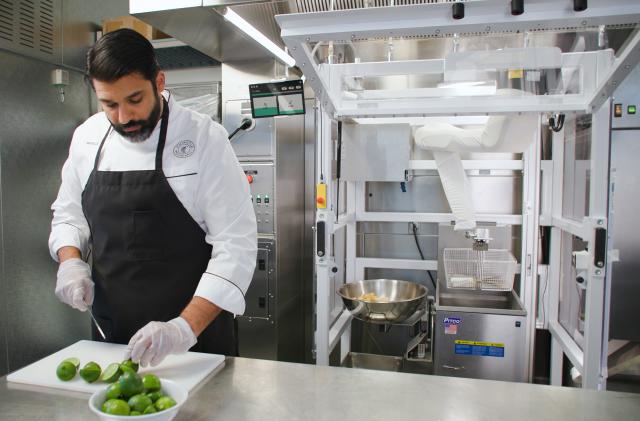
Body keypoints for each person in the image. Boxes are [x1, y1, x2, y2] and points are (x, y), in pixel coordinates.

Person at [49, 28, 257, 367]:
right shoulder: (87, 138)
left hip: (194, 341)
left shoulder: (205, 140)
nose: (123, 117)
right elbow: (69, 215)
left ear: (158, 82)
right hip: (110, 339)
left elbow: (236, 245)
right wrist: (70, 262)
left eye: (134, 100)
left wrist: (183, 329)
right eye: (109, 104)